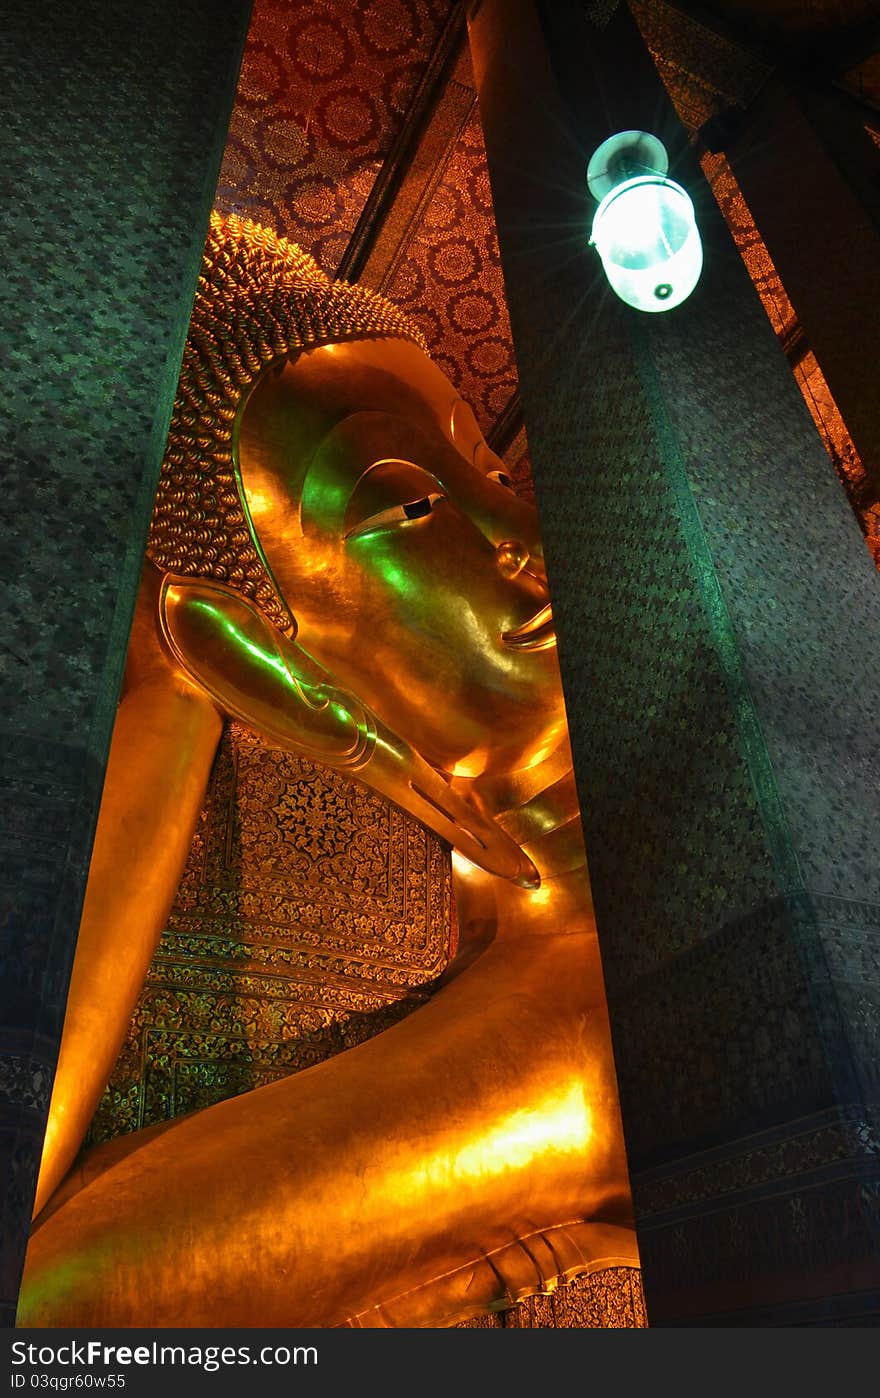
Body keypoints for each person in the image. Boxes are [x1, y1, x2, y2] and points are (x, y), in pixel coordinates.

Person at [18, 214, 637, 1328]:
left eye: (489, 463)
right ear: (249, 654)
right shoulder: (591, 1026)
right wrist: (164, 686)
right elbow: (67, 1327)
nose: (521, 527)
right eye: (407, 506)